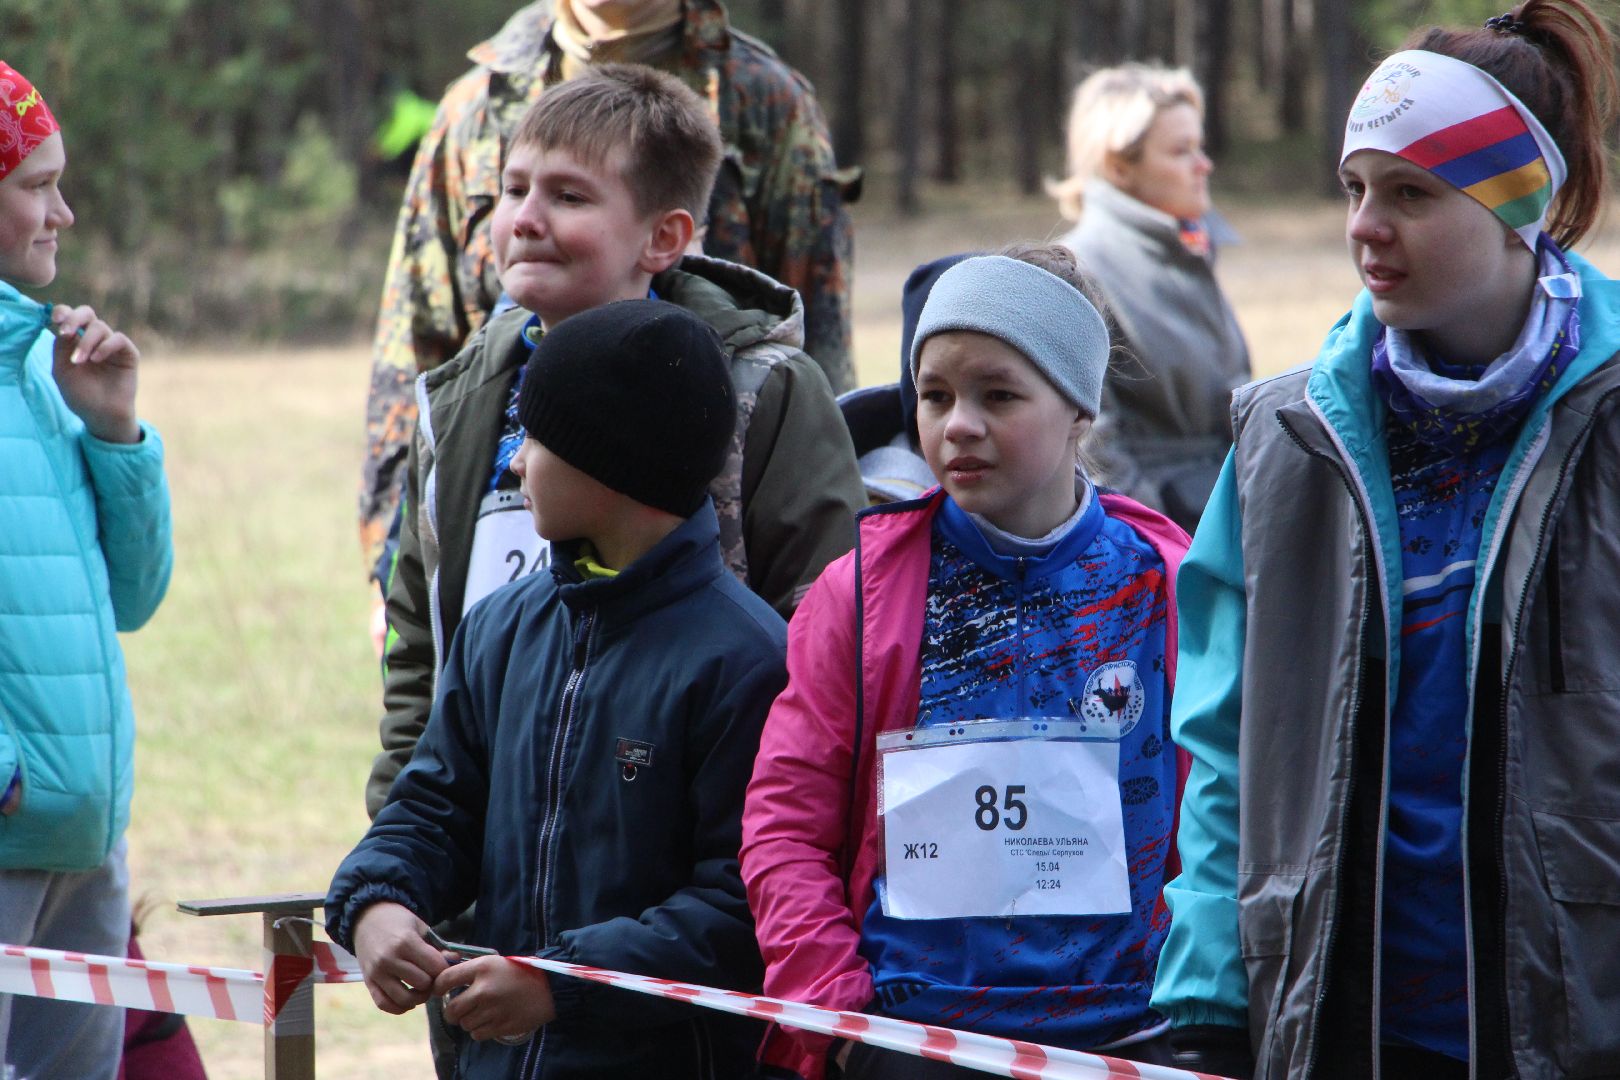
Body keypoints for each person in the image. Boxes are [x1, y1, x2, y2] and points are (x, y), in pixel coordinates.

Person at [1152, 4, 1620, 1077]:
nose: (1365, 224)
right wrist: (1211, 993)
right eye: (1354, 188)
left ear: (1521, 207)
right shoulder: (1286, 440)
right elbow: (1224, 746)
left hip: (1570, 1021)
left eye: (1410, 192)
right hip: (1339, 1017)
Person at [741, 246, 1192, 1080]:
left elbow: (1224, 820)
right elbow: (786, 825)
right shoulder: (860, 595)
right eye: (936, 395)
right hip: (913, 1038)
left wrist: (1205, 1000)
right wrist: (842, 1018)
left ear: (1079, 412)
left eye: (1000, 395)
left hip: (1128, 1037)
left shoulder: (1169, 588)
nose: (959, 426)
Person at [327, 298, 789, 1079]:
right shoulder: (499, 630)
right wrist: (377, 900)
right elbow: (435, 806)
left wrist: (562, 984)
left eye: (534, 438)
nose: (512, 461)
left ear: (614, 468)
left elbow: (740, 910)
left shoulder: (746, 661)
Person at [357, 0, 856, 599]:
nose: (526, 218)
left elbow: (818, 346)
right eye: (511, 191)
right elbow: (416, 342)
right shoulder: (476, 103)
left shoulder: (763, 97)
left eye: (569, 196)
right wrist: (386, 566)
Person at [0, 61, 173, 1080]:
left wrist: (116, 431)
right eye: (35, 184)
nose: (62, 211)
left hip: (85, 840)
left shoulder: (41, 368)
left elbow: (138, 598)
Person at [1051, 63, 1251, 533]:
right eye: (1181, 151)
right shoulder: (1083, 270)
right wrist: (1160, 547)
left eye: (1199, 147)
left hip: (1220, 519)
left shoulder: (1184, 251)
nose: (1204, 164)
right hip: (1165, 544)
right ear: (1119, 165)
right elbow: (1093, 450)